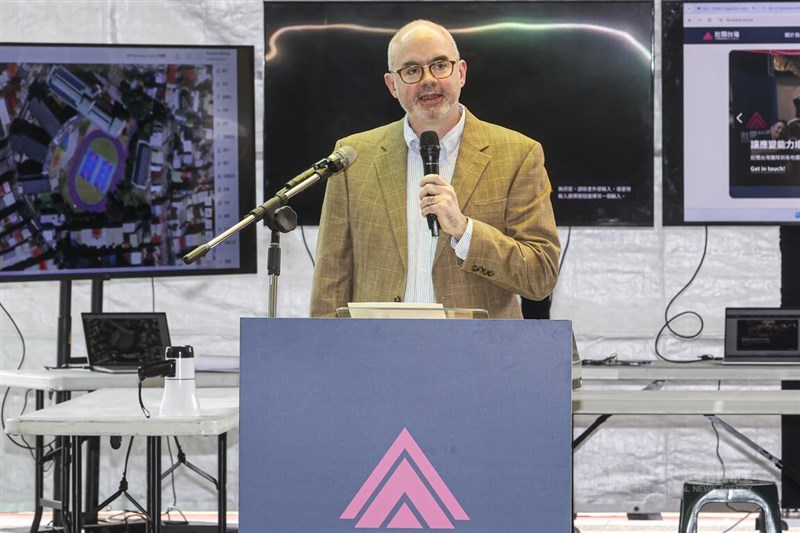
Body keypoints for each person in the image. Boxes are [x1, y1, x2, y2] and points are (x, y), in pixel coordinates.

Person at [310, 19, 560, 319]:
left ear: (461, 73)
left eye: (440, 65)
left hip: (477, 355)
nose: (428, 79)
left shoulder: (518, 155)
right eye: (412, 70)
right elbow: (330, 280)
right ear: (393, 85)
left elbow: (540, 277)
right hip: (378, 354)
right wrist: (325, 359)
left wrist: (464, 230)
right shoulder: (352, 157)